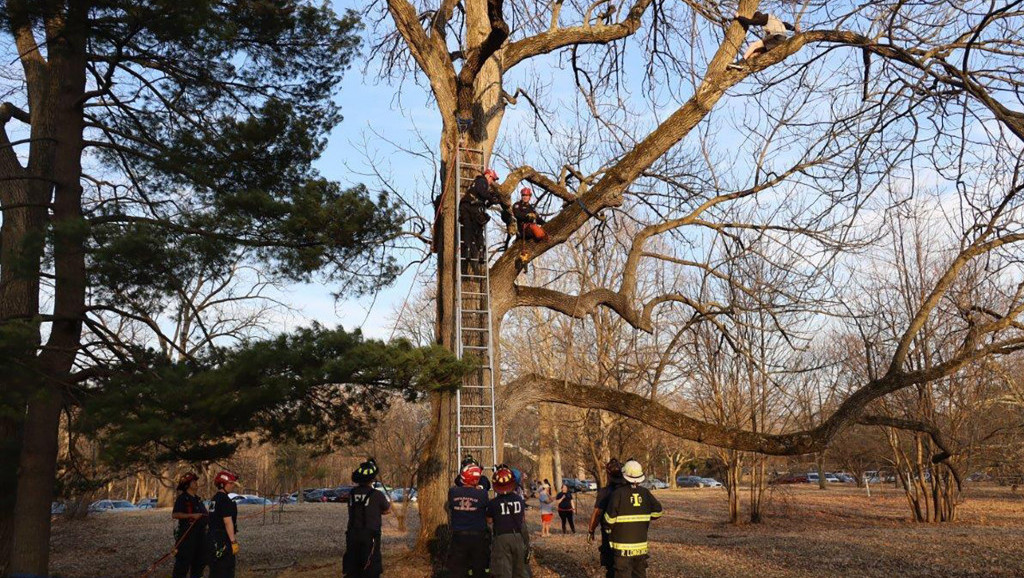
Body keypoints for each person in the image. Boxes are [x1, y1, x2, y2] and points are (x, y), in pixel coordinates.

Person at [603, 460, 663, 578]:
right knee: (639, 574)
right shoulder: (646, 493)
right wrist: (644, 518)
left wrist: (608, 530)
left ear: (624, 476)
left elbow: (609, 520)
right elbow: (658, 512)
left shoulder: (618, 493)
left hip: (622, 547)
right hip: (640, 547)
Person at [343, 458, 391, 578]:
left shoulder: (352, 493)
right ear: (372, 479)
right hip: (370, 534)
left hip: (352, 533)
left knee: (353, 562)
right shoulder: (377, 495)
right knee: (371, 564)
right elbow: (387, 510)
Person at [459, 168, 513, 262]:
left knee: (467, 228)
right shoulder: (482, 181)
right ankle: (480, 251)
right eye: (492, 179)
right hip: (473, 207)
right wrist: (492, 198)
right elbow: (483, 193)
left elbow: (484, 200)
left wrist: (490, 200)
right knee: (478, 230)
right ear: (488, 175)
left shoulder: (475, 183)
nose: (492, 181)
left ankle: (467, 250)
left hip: (465, 206)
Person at [447, 464, 491, 577]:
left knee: (458, 569)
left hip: (459, 536)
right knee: (479, 567)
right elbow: (485, 486)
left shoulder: (452, 492)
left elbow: (458, 483)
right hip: (478, 536)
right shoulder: (482, 494)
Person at [487, 467, 530, 578]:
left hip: (501, 538)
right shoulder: (519, 500)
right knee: (520, 569)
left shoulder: (493, 503)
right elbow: (522, 519)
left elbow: (489, 521)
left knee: (503, 570)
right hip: (518, 537)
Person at [589, 459, 627, 578]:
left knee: (612, 568)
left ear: (608, 474)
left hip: (610, 536)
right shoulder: (629, 491)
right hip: (629, 537)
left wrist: (591, 530)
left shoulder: (605, 492)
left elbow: (597, 513)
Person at [728, 11, 796, 68]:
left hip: (777, 37)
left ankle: (741, 62)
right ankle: (744, 65)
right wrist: (794, 29)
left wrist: (738, 17)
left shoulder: (764, 18)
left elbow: (750, 22)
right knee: (755, 53)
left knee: (754, 45)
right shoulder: (775, 19)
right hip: (781, 39)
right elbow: (785, 24)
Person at [171, 472, 207, 578]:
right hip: (186, 537)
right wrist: (191, 515)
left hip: (200, 536)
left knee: (200, 563)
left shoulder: (198, 499)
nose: (196, 483)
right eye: (193, 481)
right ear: (187, 485)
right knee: (182, 565)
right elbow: (175, 514)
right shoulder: (182, 499)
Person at [207, 470, 240, 578]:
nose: (232, 486)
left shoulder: (213, 499)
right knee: (225, 570)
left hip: (212, 539)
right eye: (230, 483)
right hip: (223, 540)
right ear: (222, 484)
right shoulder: (225, 500)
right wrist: (233, 541)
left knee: (215, 570)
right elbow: (227, 521)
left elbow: (212, 517)